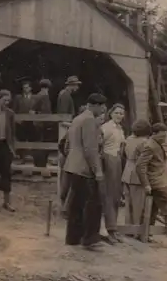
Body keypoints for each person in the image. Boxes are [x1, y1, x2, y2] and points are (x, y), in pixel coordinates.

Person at [63, 93, 107, 250]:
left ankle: (73, 238)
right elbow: (90, 149)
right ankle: (90, 239)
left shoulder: (78, 118)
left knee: (76, 204)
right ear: (94, 105)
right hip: (84, 168)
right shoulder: (89, 120)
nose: (103, 111)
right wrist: (98, 170)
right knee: (92, 203)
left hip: (73, 165)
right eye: (101, 107)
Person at [136, 122, 167, 241]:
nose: (164, 138)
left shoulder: (155, 144)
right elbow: (140, 166)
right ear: (154, 134)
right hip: (156, 181)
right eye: (162, 136)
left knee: (152, 208)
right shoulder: (150, 146)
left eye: (165, 135)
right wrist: (146, 184)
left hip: (158, 180)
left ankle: (144, 233)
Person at [99, 103, 126, 244]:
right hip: (108, 160)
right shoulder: (106, 127)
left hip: (117, 160)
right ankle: (108, 228)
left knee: (116, 194)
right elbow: (99, 145)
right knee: (109, 194)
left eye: (121, 113)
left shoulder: (120, 128)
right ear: (111, 113)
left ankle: (113, 228)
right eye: (116, 113)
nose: (119, 116)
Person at [122, 119, 151, 227]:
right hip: (137, 174)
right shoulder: (145, 142)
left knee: (128, 204)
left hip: (127, 172)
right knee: (138, 205)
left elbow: (123, 154)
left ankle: (128, 228)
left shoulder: (128, 139)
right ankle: (136, 230)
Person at [13, 80, 36, 163]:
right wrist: (17, 119)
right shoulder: (18, 98)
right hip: (21, 122)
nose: (25, 89)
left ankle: (32, 158)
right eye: (24, 88)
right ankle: (22, 158)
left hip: (31, 122)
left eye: (27, 87)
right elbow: (14, 110)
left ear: (30, 88)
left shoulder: (35, 98)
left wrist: (35, 113)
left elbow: (39, 109)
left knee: (31, 139)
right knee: (21, 139)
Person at [33, 79, 53, 168]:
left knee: (38, 143)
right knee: (43, 144)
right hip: (43, 123)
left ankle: (38, 163)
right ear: (48, 87)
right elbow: (46, 111)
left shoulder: (37, 95)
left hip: (37, 123)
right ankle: (41, 165)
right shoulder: (45, 96)